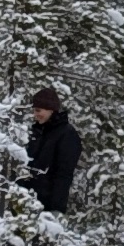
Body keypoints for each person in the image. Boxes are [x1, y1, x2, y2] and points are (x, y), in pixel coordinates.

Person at [27, 86, 84, 214]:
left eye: (38, 110)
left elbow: (63, 175)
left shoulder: (67, 134)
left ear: (51, 110)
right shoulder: (37, 131)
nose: (35, 114)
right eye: (34, 111)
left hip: (47, 207)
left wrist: (56, 209)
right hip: (27, 204)